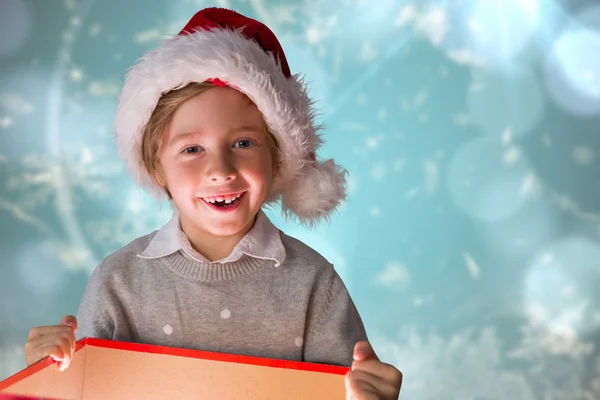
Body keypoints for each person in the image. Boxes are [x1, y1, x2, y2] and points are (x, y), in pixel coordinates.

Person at [24, 7, 402, 399]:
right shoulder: (117, 282)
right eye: (191, 149)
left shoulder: (314, 285)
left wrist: (369, 396)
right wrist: (46, 379)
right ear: (157, 168)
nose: (220, 170)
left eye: (243, 143)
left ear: (277, 158)